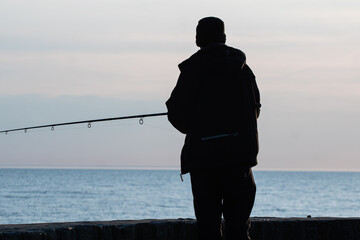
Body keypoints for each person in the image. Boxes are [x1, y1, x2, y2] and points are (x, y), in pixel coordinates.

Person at [166, 17, 261, 240]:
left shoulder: (192, 70)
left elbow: (178, 115)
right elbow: (255, 109)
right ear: (224, 38)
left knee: (208, 229)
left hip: (204, 162)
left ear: (198, 39)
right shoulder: (244, 70)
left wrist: (199, 127)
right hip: (239, 159)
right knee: (238, 229)